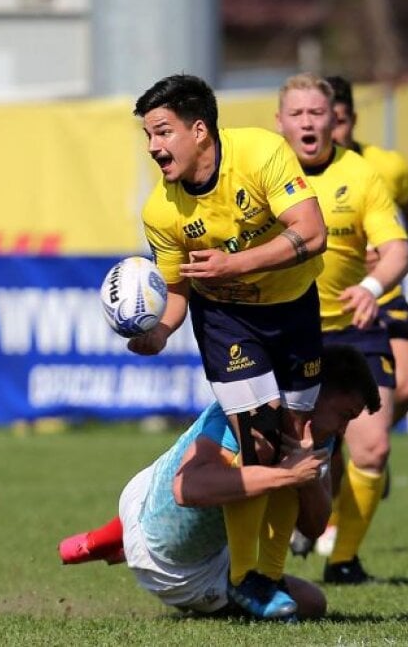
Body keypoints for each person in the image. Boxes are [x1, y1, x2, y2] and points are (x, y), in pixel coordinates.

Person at [130, 73, 328, 616]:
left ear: (200, 130)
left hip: (293, 310)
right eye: (149, 135)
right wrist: (160, 332)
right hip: (225, 320)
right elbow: (176, 290)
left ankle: (266, 575)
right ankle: (246, 578)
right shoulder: (161, 210)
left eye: (163, 132)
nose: (154, 147)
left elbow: (311, 233)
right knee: (258, 440)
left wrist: (233, 263)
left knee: (296, 440)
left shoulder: (262, 153)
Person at [58, 345, 381, 620]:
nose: (343, 430)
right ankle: (126, 540)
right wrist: (288, 475)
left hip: (144, 492)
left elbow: (314, 527)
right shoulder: (249, 415)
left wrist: (306, 479)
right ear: (316, 394)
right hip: (173, 569)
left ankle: (108, 537)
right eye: (345, 415)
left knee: (314, 599)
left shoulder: (314, 437)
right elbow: (188, 489)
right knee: (306, 604)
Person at [275, 73, 408, 584]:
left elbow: (398, 249)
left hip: (354, 333)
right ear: (280, 121)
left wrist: (372, 288)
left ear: (335, 120)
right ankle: (264, 555)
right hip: (287, 332)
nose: (309, 123)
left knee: (373, 445)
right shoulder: (263, 172)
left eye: (319, 113)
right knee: (285, 450)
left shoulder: (361, 175)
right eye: (299, 114)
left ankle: (344, 561)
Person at [325, 76, 408, 425]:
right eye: (324, 122)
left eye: (340, 122)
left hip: (381, 293)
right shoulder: (293, 172)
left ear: (354, 120)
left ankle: (364, 448)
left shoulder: (387, 167)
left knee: (405, 385)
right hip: (326, 298)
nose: (332, 132)